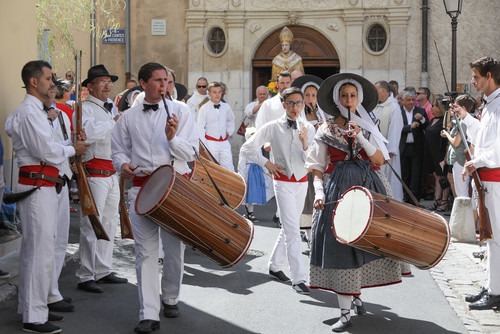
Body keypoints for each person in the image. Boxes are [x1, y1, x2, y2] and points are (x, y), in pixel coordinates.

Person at [306, 73, 402, 332]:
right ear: (337, 100)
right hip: (338, 188)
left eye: (353, 96)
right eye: (344, 96)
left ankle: (355, 294)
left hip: (369, 187)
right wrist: (318, 193)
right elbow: (316, 167)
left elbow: (380, 160)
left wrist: (360, 136)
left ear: (359, 98)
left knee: (366, 243)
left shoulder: (369, 125)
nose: (349, 100)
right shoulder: (325, 129)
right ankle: (345, 311)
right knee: (340, 244)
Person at [111, 62, 198, 334]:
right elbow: (118, 151)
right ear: (143, 83)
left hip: (174, 189)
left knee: (174, 250)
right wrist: (122, 164)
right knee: (145, 253)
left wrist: (172, 139)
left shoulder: (182, 111)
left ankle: (170, 296)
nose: (164, 85)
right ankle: (148, 313)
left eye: (167, 80)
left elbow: (192, 152)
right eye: (159, 80)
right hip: (141, 188)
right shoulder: (128, 117)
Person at [6, 60, 87, 334]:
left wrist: (67, 147)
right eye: (49, 79)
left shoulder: (36, 111)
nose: (53, 84)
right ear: (33, 82)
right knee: (38, 252)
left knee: (38, 250)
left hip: (46, 184)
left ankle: (33, 309)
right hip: (37, 185)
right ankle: (34, 316)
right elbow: (47, 151)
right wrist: (71, 149)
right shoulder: (29, 113)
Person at [241, 87, 315, 294]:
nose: (295, 107)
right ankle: (299, 278)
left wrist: (304, 143)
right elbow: (247, 148)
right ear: (283, 104)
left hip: (302, 182)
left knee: (289, 226)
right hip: (282, 183)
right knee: (292, 229)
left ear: (303, 105)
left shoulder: (308, 128)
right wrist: (267, 164)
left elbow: (311, 162)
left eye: (299, 103)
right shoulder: (272, 127)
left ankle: (274, 266)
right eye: (290, 103)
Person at [75, 64, 128, 294]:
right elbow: (87, 135)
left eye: (109, 81)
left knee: (108, 223)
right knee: (91, 225)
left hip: (110, 173)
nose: (107, 86)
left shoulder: (106, 110)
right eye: (102, 81)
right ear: (90, 86)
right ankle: (86, 274)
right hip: (94, 172)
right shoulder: (85, 108)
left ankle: (103, 269)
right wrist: (113, 122)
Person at [455, 56, 500, 310]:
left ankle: (495, 292)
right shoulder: (491, 105)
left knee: (495, 238)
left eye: (476, 76)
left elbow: (497, 151)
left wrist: (476, 161)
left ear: (489, 76)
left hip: (495, 181)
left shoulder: (499, 105)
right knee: (491, 238)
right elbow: (483, 138)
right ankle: (492, 285)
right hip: (487, 180)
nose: (473, 81)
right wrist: (467, 119)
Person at [374, 80, 404, 201]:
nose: (375, 94)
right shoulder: (375, 106)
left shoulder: (394, 108)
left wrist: (390, 151)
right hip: (375, 151)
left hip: (387, 153)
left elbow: (395, 130)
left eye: (377, 92)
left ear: (385, 92)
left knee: (390, 181)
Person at [440, 94, 476, 198]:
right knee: (460, 190)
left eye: (456, 106)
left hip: (460, 159)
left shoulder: (464, 123)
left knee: (462, 192)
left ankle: (464, 213)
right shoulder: (460, 121)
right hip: (458, 158)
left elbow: (456, 142)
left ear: (463, 108)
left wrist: (446, 134)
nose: (453, 108)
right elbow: (447, 123)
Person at [237, 127, 274, 222]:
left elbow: (262, 160)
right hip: (249, 172)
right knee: (250, 192)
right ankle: (250, 212)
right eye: (251, 135)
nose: (253, 137)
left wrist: (268, 172)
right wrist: (241, 176)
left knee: (266, 188)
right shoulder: (245, 147)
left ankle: (250, 211)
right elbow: (241, 163)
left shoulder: (258, 147)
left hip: (258, 171)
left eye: (255, 135)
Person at [197, 81, 235, 171]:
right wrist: (204, 144)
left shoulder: (226, 107)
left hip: (224, 142)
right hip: (211, 142)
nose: (217, 95)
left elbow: (231, 120)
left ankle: (229, 184)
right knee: (213, 168)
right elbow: (200, 127)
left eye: (219, 92)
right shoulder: (204, 108)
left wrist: (229, 132)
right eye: (214, 92)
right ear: (209, 93)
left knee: (229, 167)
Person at [399, 87, 428, 203]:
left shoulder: (420, 111)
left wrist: (422, 120)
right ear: (403, 101)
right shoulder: (399, 112)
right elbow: (397, 129)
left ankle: (414, 199)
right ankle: (405, 197)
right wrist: (409, 127)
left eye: (412, 100)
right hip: (404, 147)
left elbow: (427, 127)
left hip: (416, 148)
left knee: (416, 174)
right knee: (404, 173)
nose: (411, 102)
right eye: (408, 100)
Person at [422, 94, 450, 211]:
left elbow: (447, 140)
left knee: (443, 177)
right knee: (437, 177)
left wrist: (445, 157)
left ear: (440, 108)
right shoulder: (433, 120)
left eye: (434, 106)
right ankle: (437, 199)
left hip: (440, 153)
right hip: (431, 153)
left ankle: (443, 201)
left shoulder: (444, 121)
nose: (432, 108)